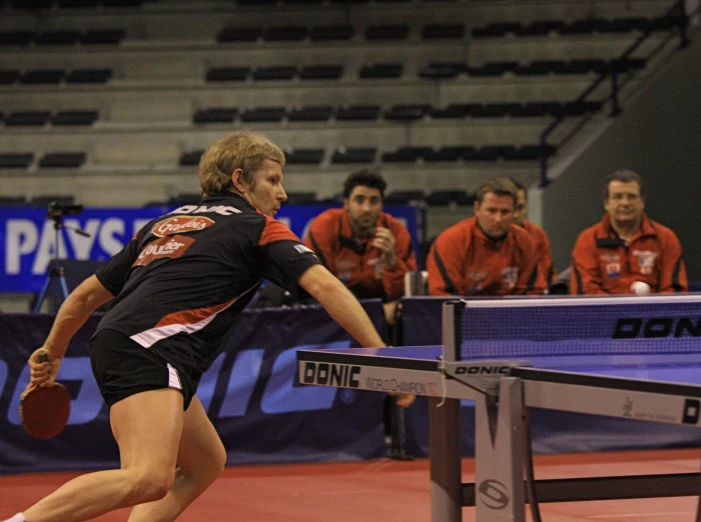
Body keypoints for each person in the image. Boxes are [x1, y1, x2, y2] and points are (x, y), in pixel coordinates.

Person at [4, 131, 409, 522]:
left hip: (127, 342)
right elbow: (323, 285)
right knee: (148, 477)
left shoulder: (166, 224)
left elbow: (82, 299)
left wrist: (52, 354)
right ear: (240, 180)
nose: (282, 194)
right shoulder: (258, 227)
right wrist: (381, 356)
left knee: (205, 462)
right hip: (151, 346)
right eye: (272, 180)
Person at [304, 169, 417, 323]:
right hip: (337, 305)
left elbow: (404, 293)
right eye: (359, 200)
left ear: (381, 204)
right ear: (346, 203)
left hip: (381, 304)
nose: (367, 209)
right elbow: (318, 286)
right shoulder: (325, 226)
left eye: (374, 201)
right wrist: (371, 314)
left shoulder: (395, 231)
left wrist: (392, 262)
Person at [570, 169, 687, 294]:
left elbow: (673, 290)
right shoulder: (588, 239)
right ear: (606, 203)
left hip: (653, 312)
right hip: (606, 313)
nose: (625, 203)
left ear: (642, 202)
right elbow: (587, 291)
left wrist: (650, 311)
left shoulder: (666, 238)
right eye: (617, 197)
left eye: (631, 197)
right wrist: (619, 312)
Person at [426, 177, 547, 296]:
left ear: (514, 211)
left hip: (512, 314)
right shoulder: (451, 242)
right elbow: (443, 295)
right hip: (464, 313)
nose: (498, 219)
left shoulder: (525, 241)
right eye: (491, 211)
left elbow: (533, 292)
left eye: (505, 212)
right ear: (477, 209)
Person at [512, 180, 556, 289]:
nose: (515, 214)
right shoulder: (466, 235)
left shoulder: (538, 235)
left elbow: (547, 275)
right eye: (510, 209)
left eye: (520, 207)